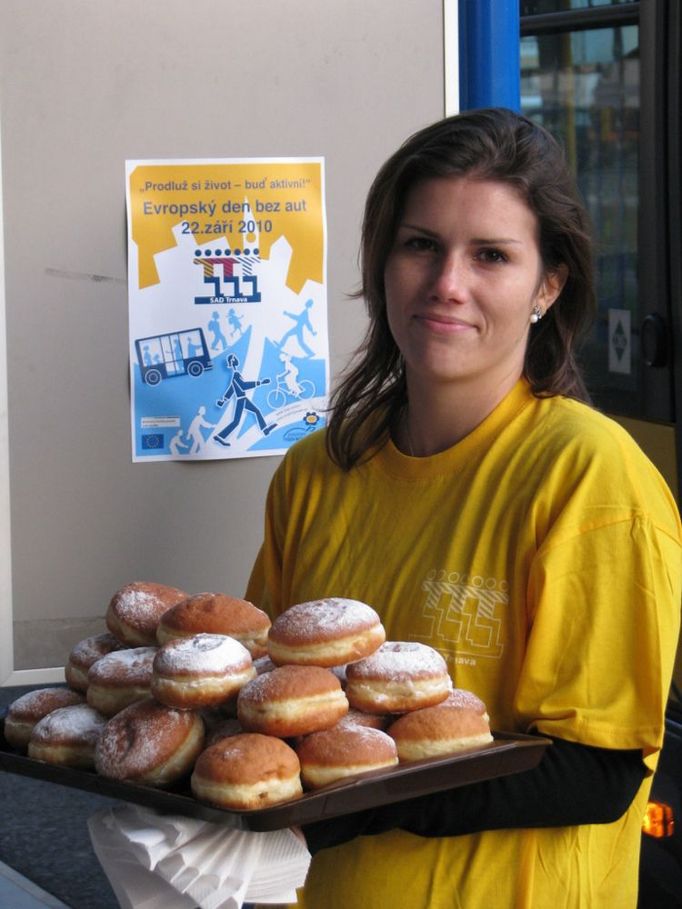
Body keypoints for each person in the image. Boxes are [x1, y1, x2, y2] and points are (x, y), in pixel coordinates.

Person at [245, 108, 682, 908]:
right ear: (384, 263)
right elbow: (274, 702)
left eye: (491, 255)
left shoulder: (588, 476)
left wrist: (353, 803)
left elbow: (598, 771)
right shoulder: (317, 470)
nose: (448, 282)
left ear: (548, 285)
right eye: (421, 245)